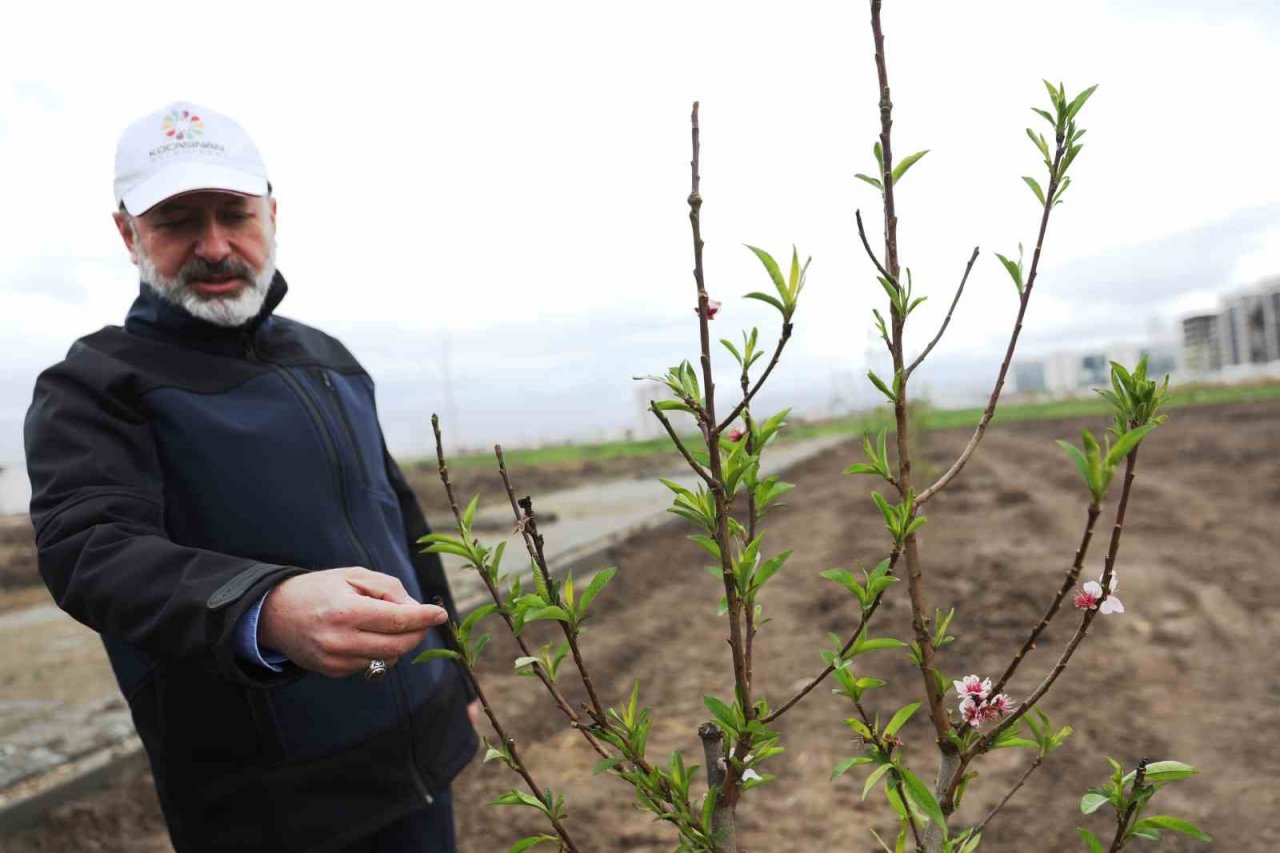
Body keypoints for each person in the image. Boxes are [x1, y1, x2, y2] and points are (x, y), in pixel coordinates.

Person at [24, 102, 480, 853]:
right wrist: (264, 607)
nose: (214, 246)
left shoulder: (329, 359)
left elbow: (403, 527)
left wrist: (455, 679)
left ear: (271, 212)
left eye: (234, 213)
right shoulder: (95, 385)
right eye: (176, 222)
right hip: (270, 807)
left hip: (420, 758)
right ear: (127, 232)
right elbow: (90, 549)